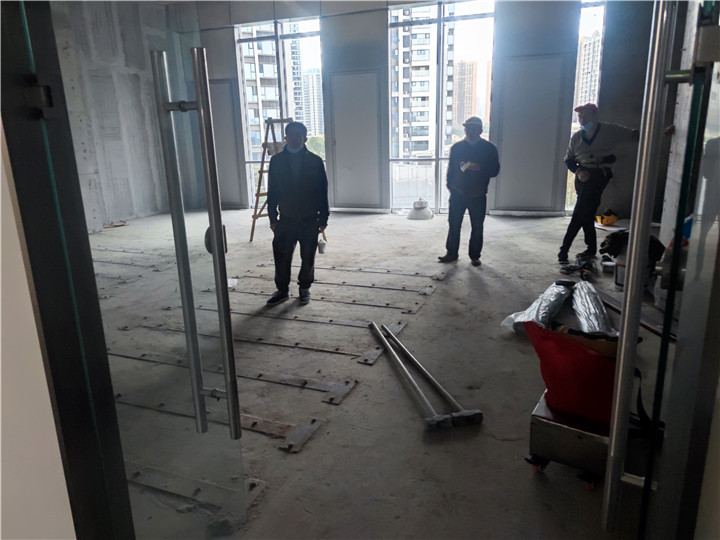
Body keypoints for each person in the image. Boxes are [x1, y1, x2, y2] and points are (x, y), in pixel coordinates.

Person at [559, 103, 638, 264]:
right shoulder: (577, 137)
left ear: (595, 116)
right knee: (587, 213)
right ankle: (591, 248)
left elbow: (635, 135)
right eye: (580, 116)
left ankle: (564, 251)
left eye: (585, 116)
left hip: (598, 175)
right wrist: (578, 171)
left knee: (579, 213)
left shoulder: (609, 130)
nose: (582, 119)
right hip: (582, 175)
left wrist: (663, 132)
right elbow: (568, 159)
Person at [266, 122, 329, 306]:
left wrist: (323, 218)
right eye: (291, 135)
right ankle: (282, 290)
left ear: (305, 138)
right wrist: (272, 218)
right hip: (285, 218)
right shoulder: (276, 161)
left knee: (308, 255)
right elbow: (272, 191)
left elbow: (322, 191)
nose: (295, 138)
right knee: (281, 255)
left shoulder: (315, 161)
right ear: (285, 137)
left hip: (309, 218)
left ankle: (304, 288)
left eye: (298, 135)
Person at [438, 116, 500, 267]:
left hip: (478, 194)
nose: (469, 131)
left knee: (477, 226)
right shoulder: (457, 147)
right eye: (467, 128)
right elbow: (451, 169)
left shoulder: (489, 148)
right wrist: (450, 186)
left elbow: (495, 170)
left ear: (480, 130)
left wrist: (480, 168)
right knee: (454, 224)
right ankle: (451, 253)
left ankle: (475, 256)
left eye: (473, 128)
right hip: (458, 192)